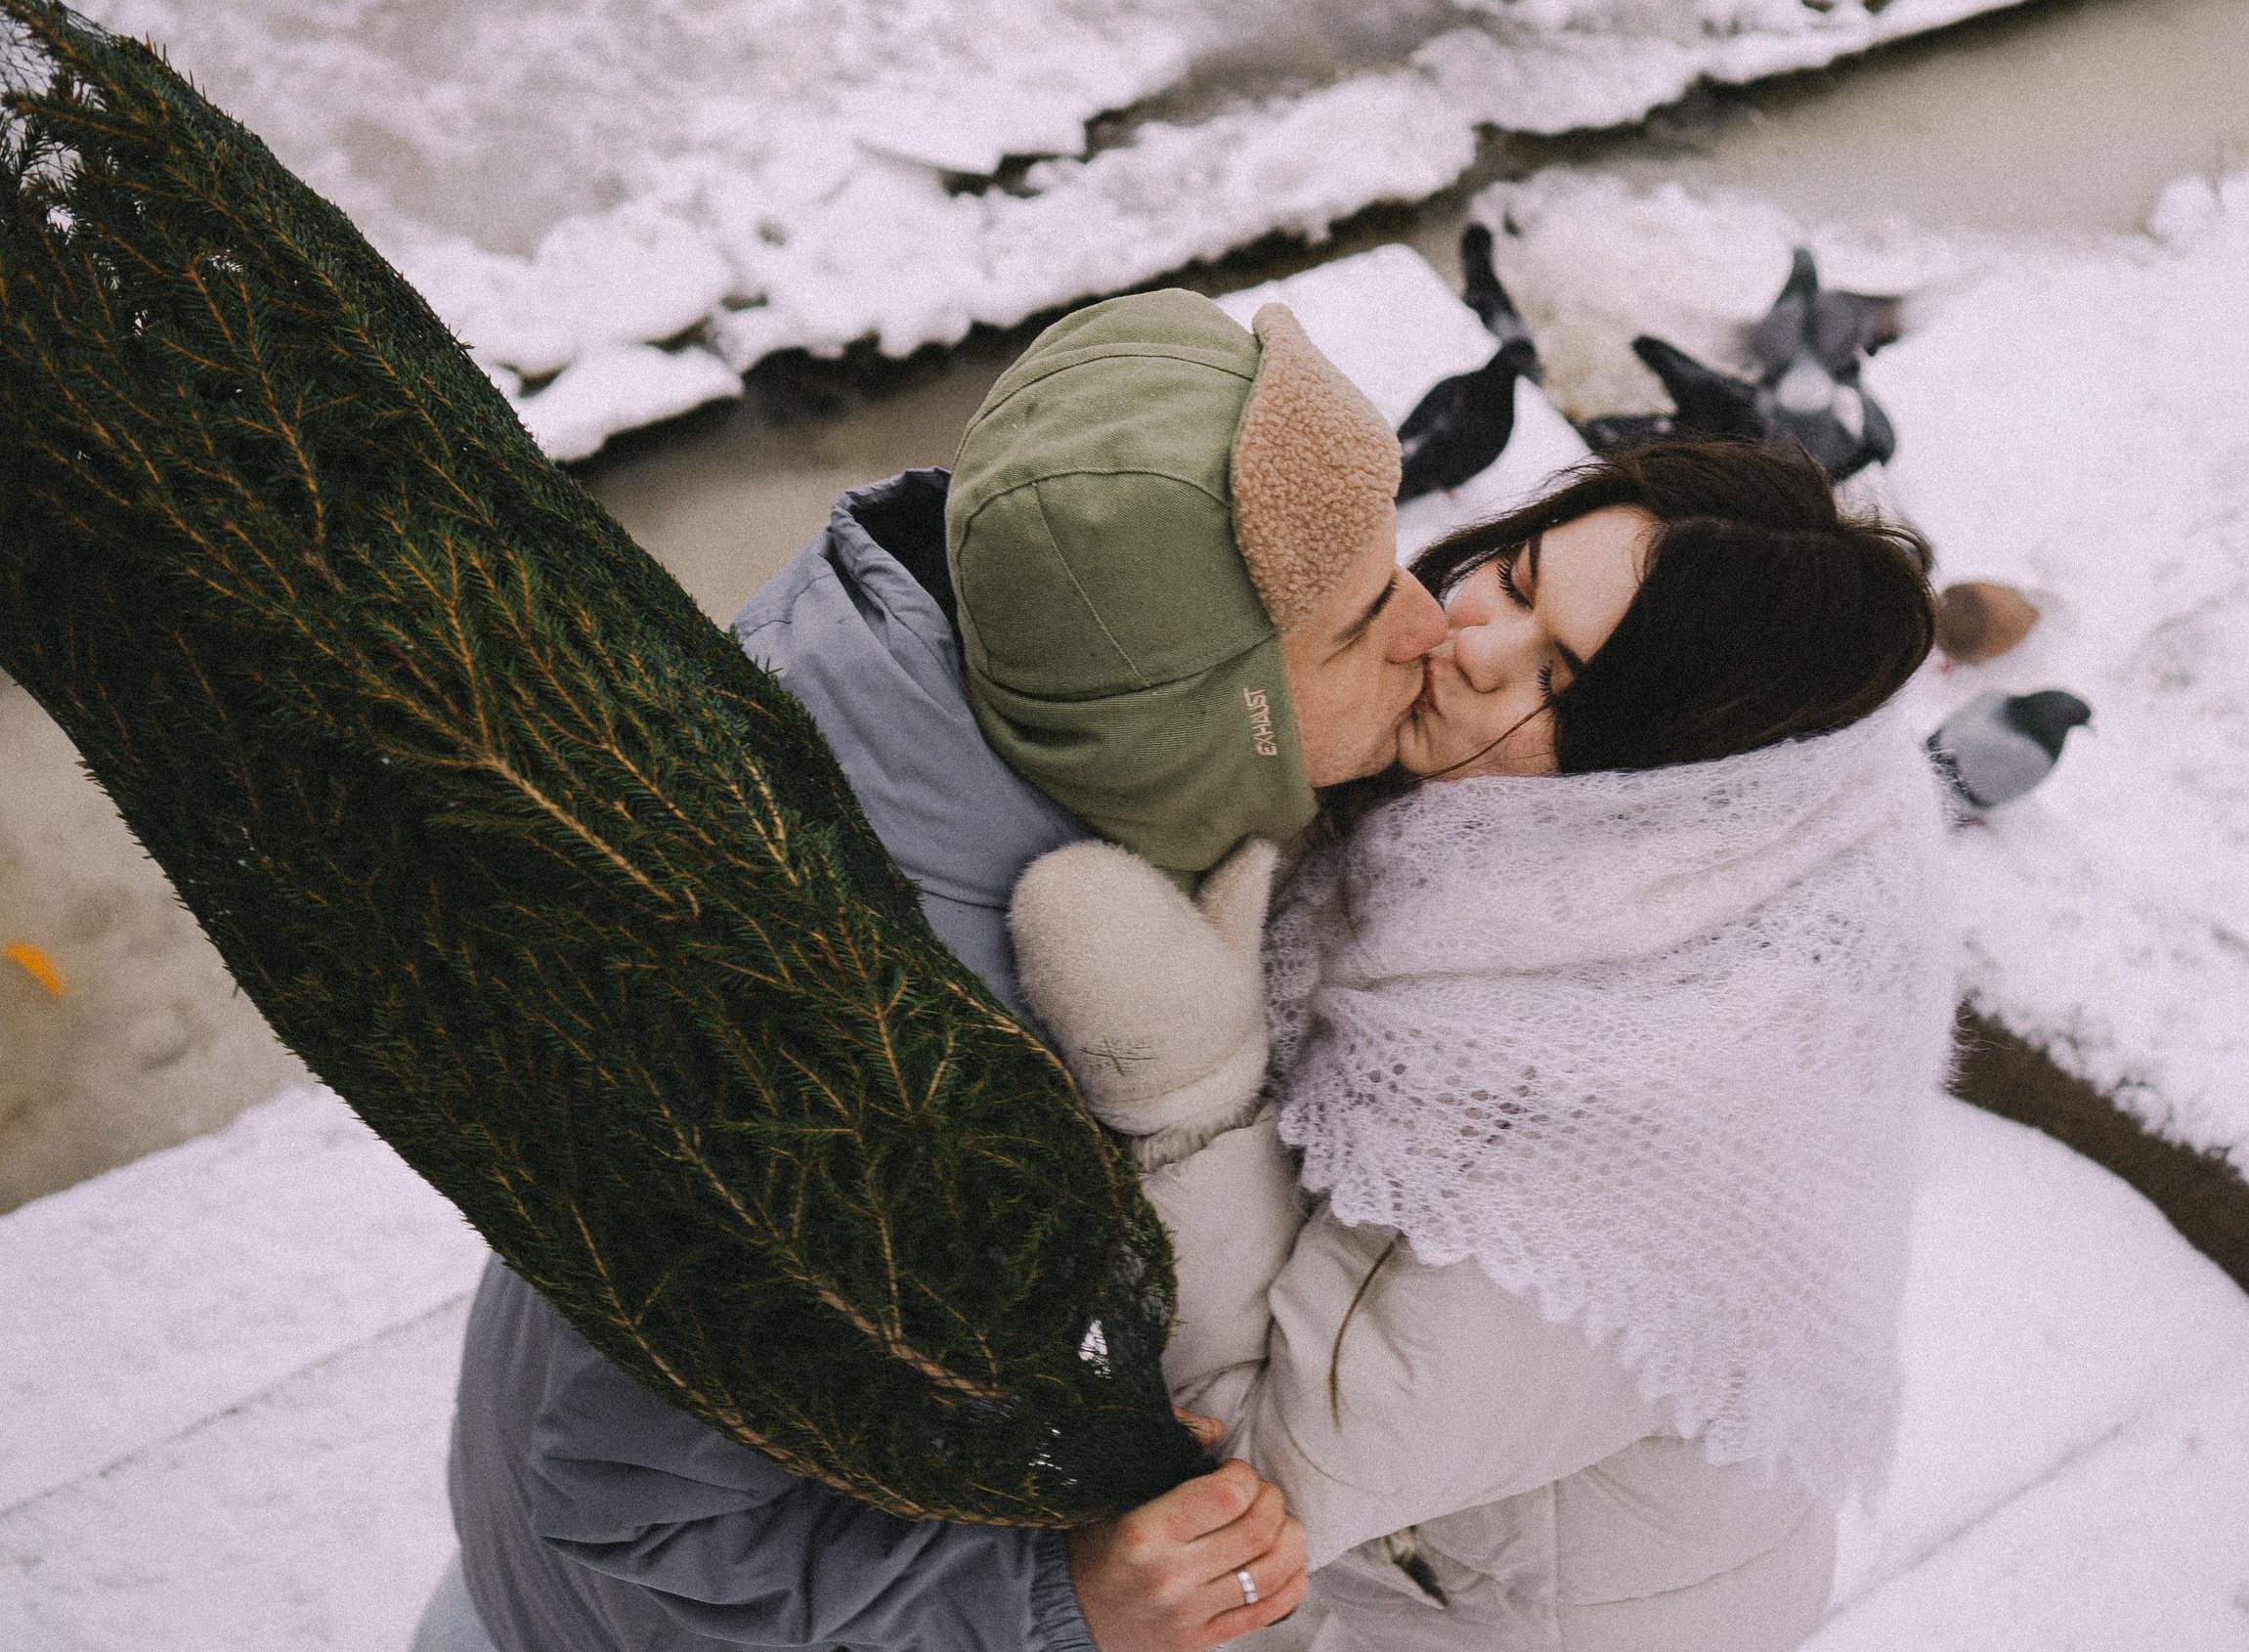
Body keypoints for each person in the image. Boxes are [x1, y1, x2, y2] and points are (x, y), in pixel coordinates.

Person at [423, 286, 1445, 1652]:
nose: (1435, 627)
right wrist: (1050, 1601)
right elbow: (624, 1507)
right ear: (1197, 728)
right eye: (1359, 622)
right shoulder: (830, 1033)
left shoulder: (973, 688)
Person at [1008, 440, 1960, 1651]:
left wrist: (1189, 1090)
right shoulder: (1723, 822)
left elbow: (1257, 1481)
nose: (1471, 644)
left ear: (1662, 771)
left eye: (1558, 678)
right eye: (1510, 578)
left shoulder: (1598, 1116)